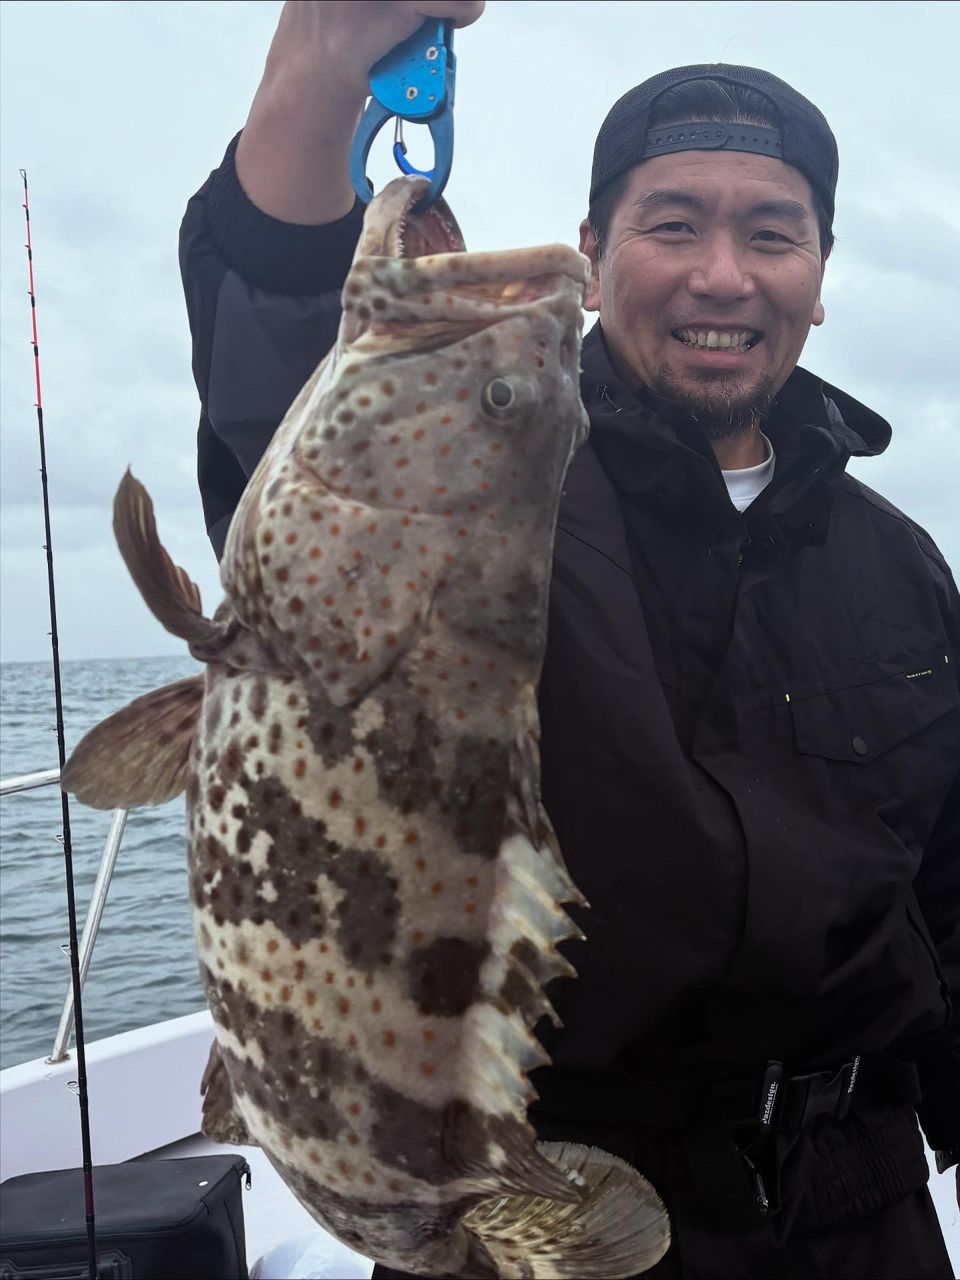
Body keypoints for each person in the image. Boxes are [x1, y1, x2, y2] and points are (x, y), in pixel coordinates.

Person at [179, 3, 959, 1275]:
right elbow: (273, 335)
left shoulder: (901, 564)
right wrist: (320, 62)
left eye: (773, 233)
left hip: (858, 1207)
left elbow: (949, 896)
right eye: (672, 223)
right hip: (522, 1197)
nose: (724, 273)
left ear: (821, 273)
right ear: (595, 255)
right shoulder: (486, 478)